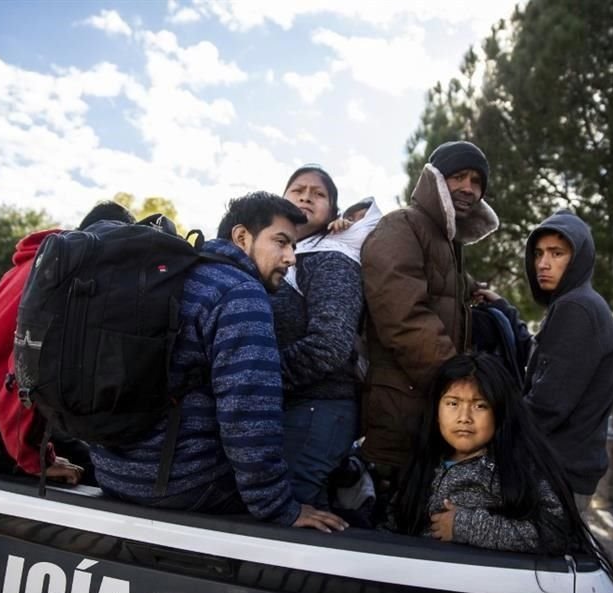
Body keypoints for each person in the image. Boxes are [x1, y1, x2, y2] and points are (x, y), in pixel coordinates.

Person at [89, 192, 347, 532]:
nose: (291, 258)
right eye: (281, 242)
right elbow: (249, 414)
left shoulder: (180, 274)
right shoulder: (240, 293)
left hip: (112, 473)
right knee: (320, 501)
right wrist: (280, 507)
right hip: (182, 486)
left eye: (295, 247)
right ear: (242, 237)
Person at [0, 201, 136, 485]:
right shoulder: (63, 275)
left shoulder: (31, 266)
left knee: (88, 454)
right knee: (107, 477)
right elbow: (25, 371)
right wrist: (35, 459)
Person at [360, 140, 499, 490]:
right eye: (459, 177)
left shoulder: (448, 244)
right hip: (399, 415)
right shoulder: (401, 227)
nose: (469, 188)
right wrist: (458, 385)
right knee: (388, 527)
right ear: (435, 179)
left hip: (427, 414)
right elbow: (404, 318)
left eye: (477, 182)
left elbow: (444, 288)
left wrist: (478, 291)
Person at [477, 210, 613, 511]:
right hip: (560, 470)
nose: (543, 263)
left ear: (579, 258)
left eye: (557, 253)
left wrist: (485, 434)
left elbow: (548, 404)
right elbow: (539, 357)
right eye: (539, 253)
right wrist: (505, 310)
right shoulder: (576, 305)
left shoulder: (577, 308)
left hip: (557, 475)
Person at [389, 352, 595, 555]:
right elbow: (395, 522)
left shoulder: (515, 469)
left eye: (480, 405)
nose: (464, 418)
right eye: (453, 403)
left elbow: (554, 532)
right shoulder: (424, 462)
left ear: (499, 412)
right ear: (436, 410)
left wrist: (465, 526)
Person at [271, 166, 380, 509]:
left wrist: (259, 376)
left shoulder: (331, 258)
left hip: (318, 409)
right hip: (297, 407)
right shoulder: (284, 256)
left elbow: (330, 345)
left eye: (318, 194)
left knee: (293, 512)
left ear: (333, 212)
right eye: (297, 189)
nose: (306, 196)